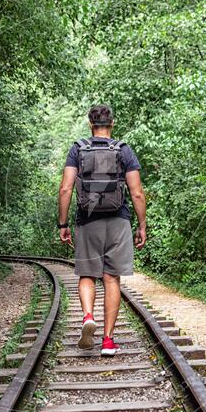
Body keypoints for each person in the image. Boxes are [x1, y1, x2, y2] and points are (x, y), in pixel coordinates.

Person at [57, 104, 147, 356]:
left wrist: (63, 224)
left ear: (90, 124)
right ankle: (108, 341)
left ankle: (87, 316)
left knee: (87, 274)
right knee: (111, 279)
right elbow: (137, 192)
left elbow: (65, 189)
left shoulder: (78, 148)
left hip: (87, 220)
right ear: (112, 124)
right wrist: (141, 225)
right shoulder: (124, 150)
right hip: (118, 220)